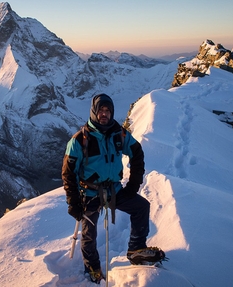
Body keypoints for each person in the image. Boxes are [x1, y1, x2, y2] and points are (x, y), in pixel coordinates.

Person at [62, 93, 165, 283]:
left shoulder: (119, 134)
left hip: (114, 190)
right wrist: (73, 202)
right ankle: (92, 267)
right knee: (89, 233)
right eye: (101, 110)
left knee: (141, 207)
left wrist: (133, 185)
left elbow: (136, 153)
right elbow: (68, 173)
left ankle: (136, 250)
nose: (104, 114)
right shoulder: (79, 140)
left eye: (107, 110)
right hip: (91, 192)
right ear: (94, 111)